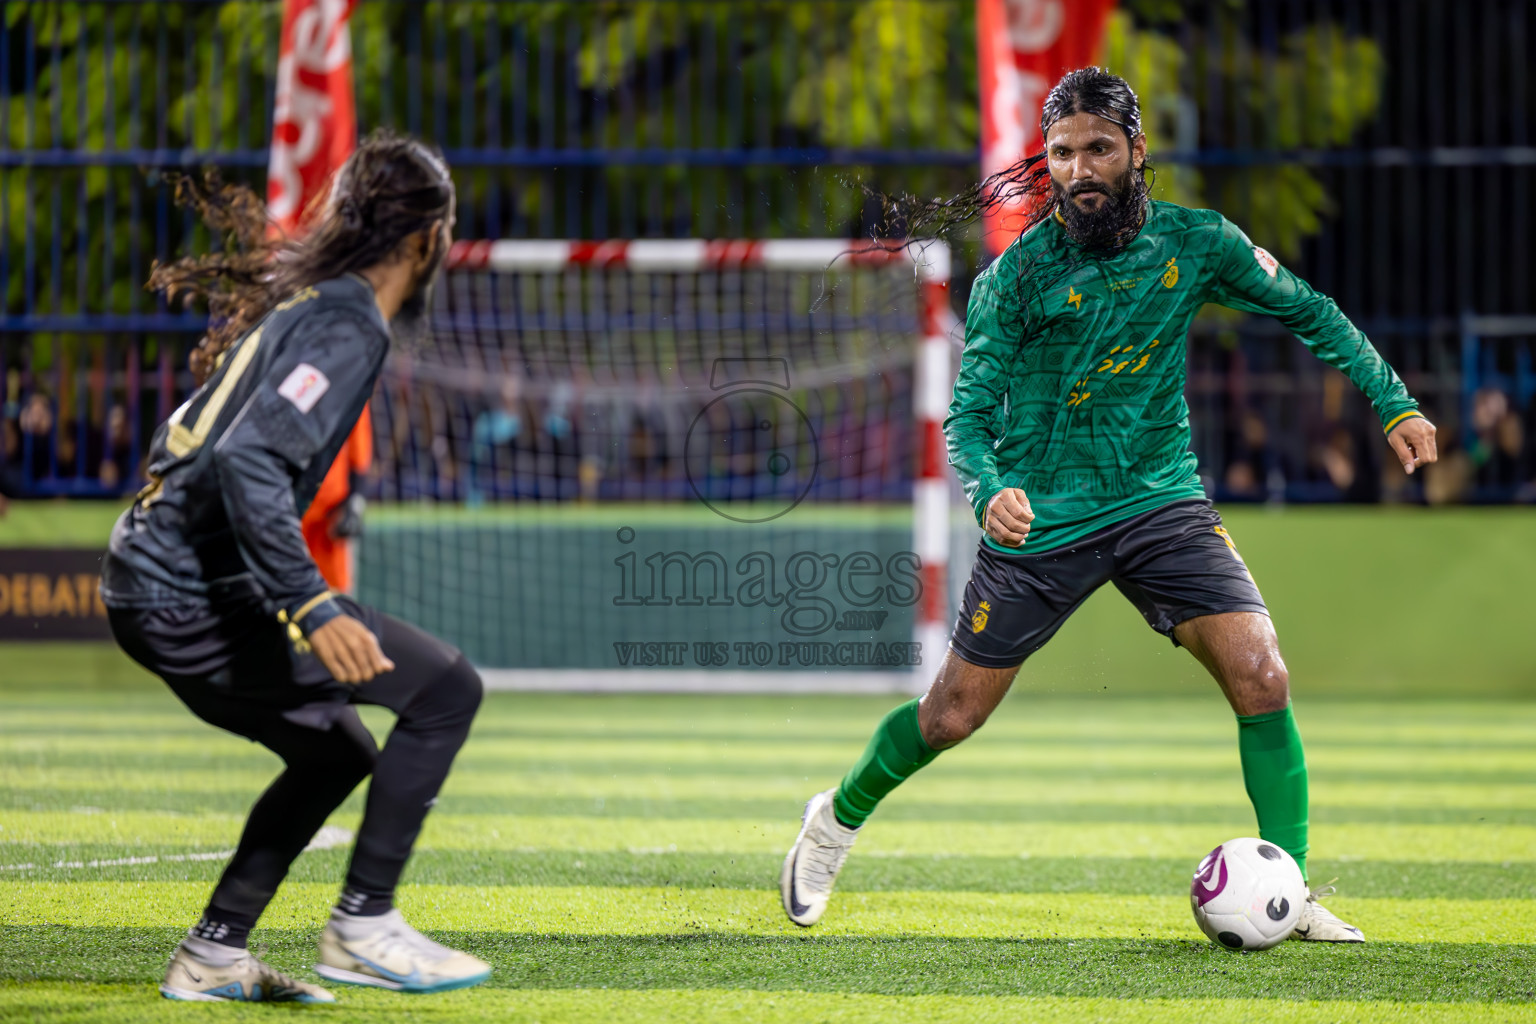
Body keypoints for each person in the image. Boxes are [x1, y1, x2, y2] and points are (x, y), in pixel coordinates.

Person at [780, 68, 1438, 943]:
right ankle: (836, 820)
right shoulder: (1013, 279)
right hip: (1043, 516)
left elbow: (1309, 311)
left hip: (1161, 500)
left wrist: (1392, 401)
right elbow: (969, 416)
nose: (1081, 168)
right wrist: (988, 492)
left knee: (1262, 674)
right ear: (1045, 163)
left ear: (1136, 151)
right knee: (950, 717)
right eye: (1062, 153)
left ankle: (1291, 889)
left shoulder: (1197, 243)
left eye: (1098, 148)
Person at [101, 131, 491, 1002]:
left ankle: (212, 954)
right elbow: (248, 461)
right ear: (427, 238)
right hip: (186, 595)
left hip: (155, 583)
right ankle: (364, 925)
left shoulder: (318, 304)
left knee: (335, 751)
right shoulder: (348, 320)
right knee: (444, 691)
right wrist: (312, 604)